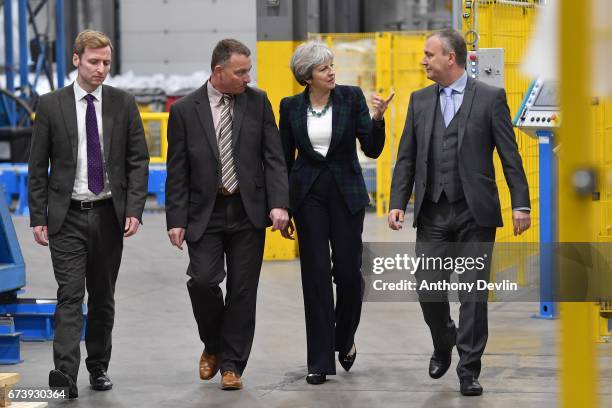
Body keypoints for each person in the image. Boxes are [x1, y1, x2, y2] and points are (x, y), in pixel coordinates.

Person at [388, 29, 531, 396]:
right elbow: (406, 157)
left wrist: (520, 202)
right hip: (433, 211)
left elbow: (509, 156)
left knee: (472, 293)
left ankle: (469, 369)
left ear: (450, 58)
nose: (424, 60)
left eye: (429, 54)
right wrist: (397, 202)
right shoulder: (419, 101)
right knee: (427, 287)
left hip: (475, 213)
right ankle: (443, 340)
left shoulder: (489, 98)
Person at [28, 29, 150, 399]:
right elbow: (37, 166)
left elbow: (137, 160)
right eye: (94, 62)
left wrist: (134, 209)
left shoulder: (122, 103)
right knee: (69, 294)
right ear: (76, 60)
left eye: (107, 63)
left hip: (108, 214)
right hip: (66, 216)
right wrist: (38, 216)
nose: (101, 69)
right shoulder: (51, 105)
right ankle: (64, 374)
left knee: (102, 295)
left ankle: (98, 366)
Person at [165, 39, 290, 391]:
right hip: (204, 212)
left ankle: (232, 365)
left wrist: (279, 203)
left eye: (248, 70)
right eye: (240, 72)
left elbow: (273, 158)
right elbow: (177, 169)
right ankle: (213, 345)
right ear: (218, 72)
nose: (247, 78)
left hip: (247, 210)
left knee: (242, 291)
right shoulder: (185, 110)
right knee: (203, 281)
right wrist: (175, 218)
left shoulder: (258, 102)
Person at [279, 41, 393, 385]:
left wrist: (377, 118)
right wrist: (282, 206)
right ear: (306, 76)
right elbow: (284, 159)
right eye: (323, 68)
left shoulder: (351, 97)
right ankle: (319, 359)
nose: (332, 72)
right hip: (308, 195)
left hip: (346, 194)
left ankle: (344, 337)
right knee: (314, 275)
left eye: (331, 65)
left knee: (347, 273)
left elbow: (371, 149)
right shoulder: (289, 107)